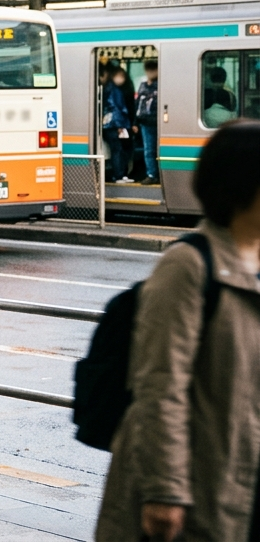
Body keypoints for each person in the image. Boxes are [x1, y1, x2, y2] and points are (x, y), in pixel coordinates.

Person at [96, 120, 260, 542]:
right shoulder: (188, 266)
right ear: (244, 187)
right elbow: (160, 383)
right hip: (193, 490)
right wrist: (165, 490)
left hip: (239, 477)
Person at [102, 66, 134, 183]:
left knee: (120, 149)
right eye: (119, 76)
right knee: (117, 149)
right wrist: (120, 125)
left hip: (113, 123)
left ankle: (121, 174)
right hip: (114, 124)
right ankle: (118, 175)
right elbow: (116, 109)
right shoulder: (114, 90)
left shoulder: (110, 88)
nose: (121, 79)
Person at [135, 60, 160, 186]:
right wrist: (135, 122)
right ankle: (151, 174)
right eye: (148, 70)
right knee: (148, 150)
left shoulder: (161, 84)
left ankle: (158, 174)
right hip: (145, 122)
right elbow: (137, 104)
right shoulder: (143, 85)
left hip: (159, 122)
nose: (150, 73)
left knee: (159, 150)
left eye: (153, 69)